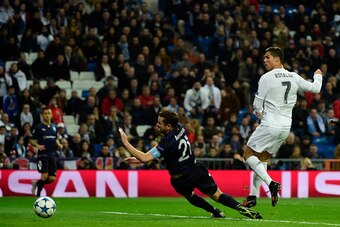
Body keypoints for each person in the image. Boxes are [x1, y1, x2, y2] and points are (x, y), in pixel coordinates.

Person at [119, 110, 262, 219]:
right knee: (218, 195)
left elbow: (145, 158)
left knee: (190, 196)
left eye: (160, 123)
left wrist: (126, 143)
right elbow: (153, 155)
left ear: (169, 126)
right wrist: (139, 159)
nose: (157, 125)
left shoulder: (167, 142)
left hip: (180, 178)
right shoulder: (180, 128)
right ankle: (240, 207)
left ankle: (215, 211)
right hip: (196, 168)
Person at [242, 47, 323, 208]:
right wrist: (318, 76)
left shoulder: (266, 77)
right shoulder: (294, 76)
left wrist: (261, 116)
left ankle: (271, 183)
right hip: (286, 127)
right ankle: (252, 196)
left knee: (248, 154)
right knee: (262, 158)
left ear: (277, 59)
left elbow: (257, 105)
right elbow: (316, 89)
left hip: (270, 123)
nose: (264, 60)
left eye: (268, 57)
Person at [30, 107, 62, 197]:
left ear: (51, 115)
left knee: (52, 178)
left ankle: (36, 183)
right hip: (43, 155)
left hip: (52, 155)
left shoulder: (54, 127)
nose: (47, 115)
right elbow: (31, 140)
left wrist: (59, 144)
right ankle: (38, 196)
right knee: (44, 175)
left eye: (49, 113)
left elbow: (56, 139)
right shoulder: (39, 127)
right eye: (45, 113)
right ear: (42, 115)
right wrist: (38, 146)